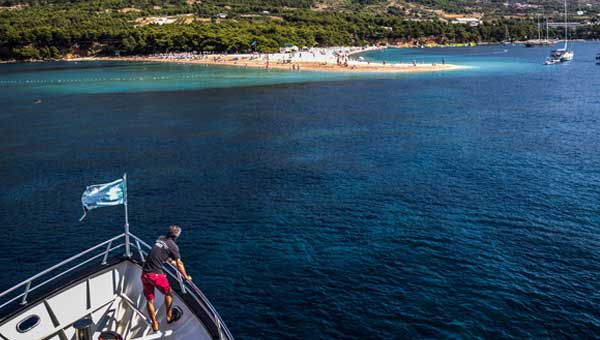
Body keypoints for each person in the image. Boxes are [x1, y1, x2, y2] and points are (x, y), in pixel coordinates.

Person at [141, 225, 192, 332]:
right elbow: (180, 263)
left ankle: (154, 323)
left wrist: (170, 261)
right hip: (156, 275)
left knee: (150, 300)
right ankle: (169, 316)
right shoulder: (174, 246)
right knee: (169, 293)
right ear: (177, 236)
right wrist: (186, 277)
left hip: (145, 273)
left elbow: (161, 253)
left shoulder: (160, 239)